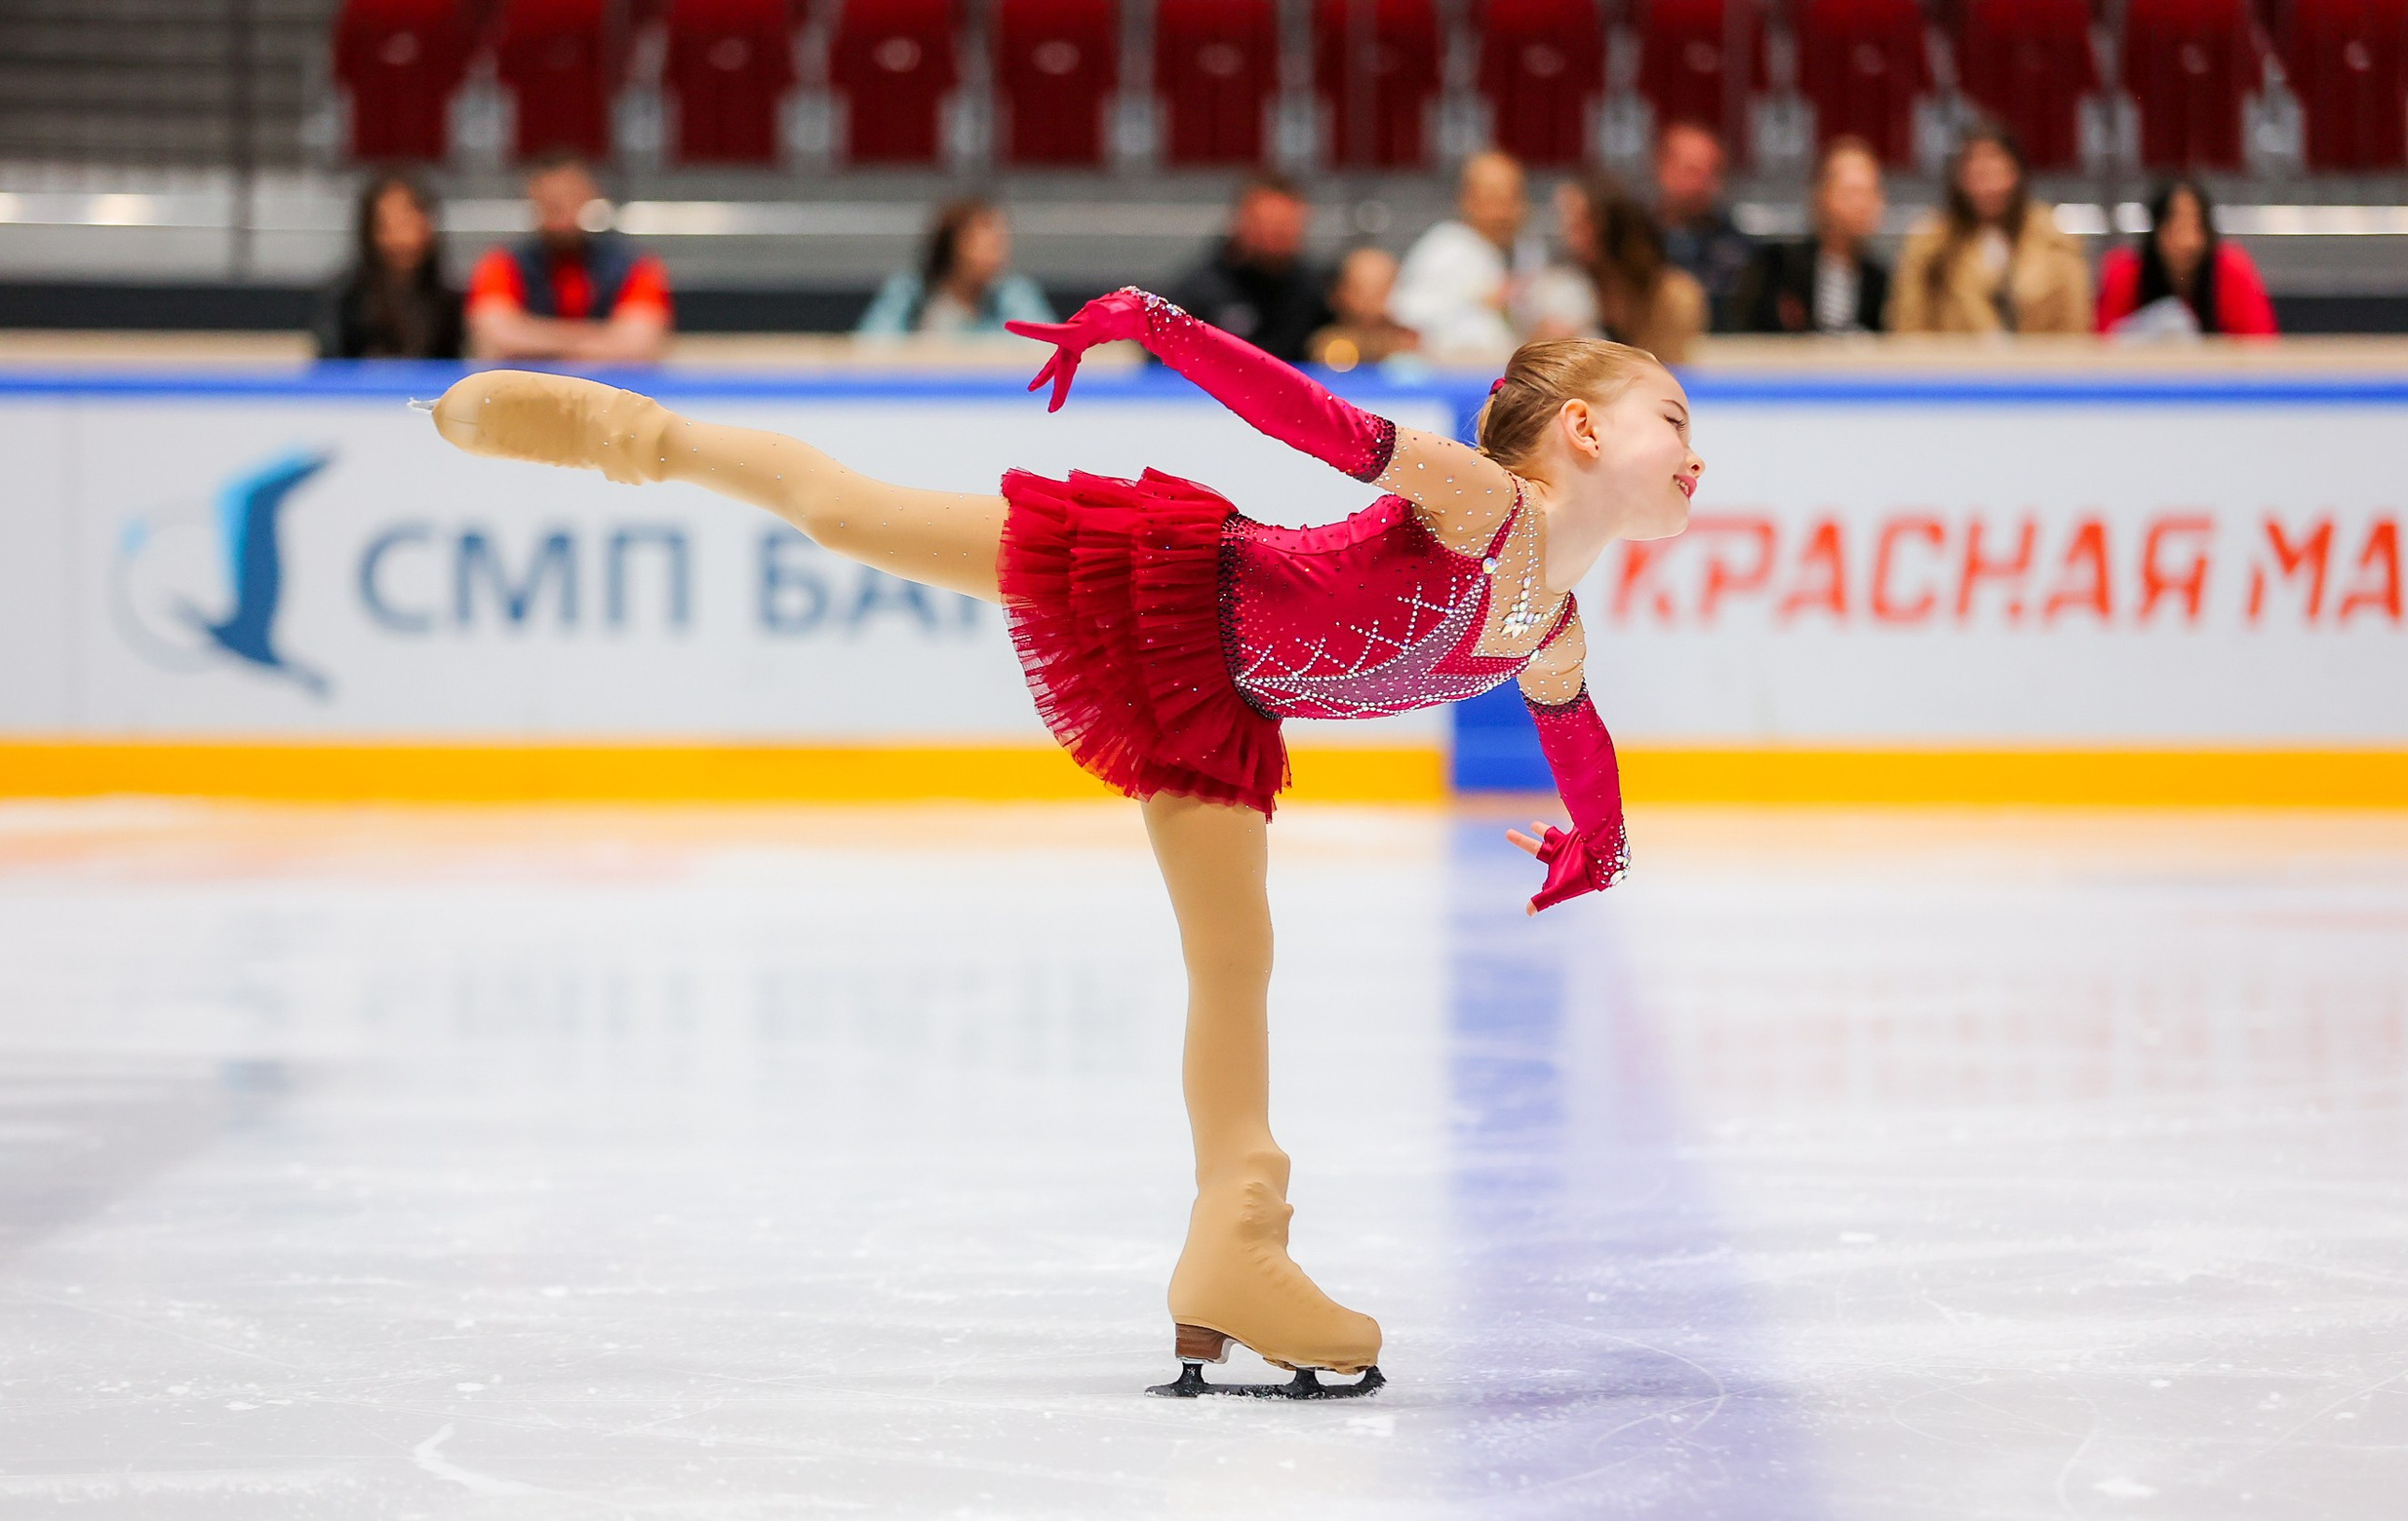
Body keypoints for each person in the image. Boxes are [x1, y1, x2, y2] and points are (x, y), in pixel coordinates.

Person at [426, 292, 1703, 1397]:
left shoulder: (1552, 626)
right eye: (1675, 419)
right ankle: (630, 433)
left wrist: (1598, 844)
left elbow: (1576, 735)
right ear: (1584, 428)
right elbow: (1317, 423)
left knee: (1236, 960)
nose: (1695, 452)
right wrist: (1158, 326)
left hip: (1223, 703)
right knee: (856, 516)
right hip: (1162, 581)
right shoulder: (1490, 508)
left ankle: (1234, 1241)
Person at [465, 151, 673, 363]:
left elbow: (639, 344)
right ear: (532, 197)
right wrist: (602, 340)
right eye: (550, 201)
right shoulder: (501, 264)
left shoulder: (635, 265)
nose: (560, 207)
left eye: (570, 196)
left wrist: (532, 338)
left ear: (590, 195)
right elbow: (497, 337)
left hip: (609, 390)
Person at [1888, 124, 2091, 335]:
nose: (1989, 186)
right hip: (1955, 364)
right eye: (1979, 175)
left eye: (1998, 172)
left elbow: (2076, 328)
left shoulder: (2055, 239)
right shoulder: (1930, 244)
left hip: (2041, 364)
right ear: (1960, 179)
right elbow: (1909, 328)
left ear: (2016, 174)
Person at [1731, 136, 1891, 334]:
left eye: (1872, 192)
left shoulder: (1882, 282)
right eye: (1852, 192)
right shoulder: (1778, 268)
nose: (1863, 205)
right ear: (1822, 197)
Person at [1168, 174, 1333, 363]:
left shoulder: (1314, 291)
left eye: (1285, 226)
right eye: (1267, 225)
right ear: (1240, 222)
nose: (1274, 236)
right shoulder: (1199, 292)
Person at [2096, 176, 2279, 338]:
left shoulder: (2231, 270)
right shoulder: (2125, 274)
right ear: (2156, 230)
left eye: (2196, 227)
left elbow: (2261, 343)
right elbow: (2102, 346)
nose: (2187, 242)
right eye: (2176, 228)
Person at [1392, 150, 1533, 359]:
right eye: (1492, 197)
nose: (1503, 209)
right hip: (1453, 376)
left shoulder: (1527, 252)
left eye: (1511, 196)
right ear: (1467, 199)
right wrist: (1479, 303)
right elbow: (1407, 320)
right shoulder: (1444, 248)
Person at [856, 198, 1057, 340]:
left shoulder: (1014, 293)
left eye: (1001, 242)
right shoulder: (908, 292)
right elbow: (871, 348)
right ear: (954, 245)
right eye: (988, 244)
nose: (999, 253)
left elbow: (1042, 349)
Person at [1558, 176, 1708, 364]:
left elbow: (1670, 371)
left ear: (1613, 226)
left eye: (1581, 224)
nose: (1570, 238)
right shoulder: (1569, 288)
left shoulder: (1675, 294)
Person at [315, 173, 464, 361]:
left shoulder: (447, 302)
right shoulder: (344, 299)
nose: (402, 239)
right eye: (389, 226)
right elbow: (330, 368)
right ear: (370, 232)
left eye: (409, 223)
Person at [1653, 121, 1754, 326]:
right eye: (1693, 171)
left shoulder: (1740, 247)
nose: (1703, 184)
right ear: (1662, 168)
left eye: (1713, 172)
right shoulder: (1636, 239)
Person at [1305, 246, 1421, 369]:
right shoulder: (1324, 341)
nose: (1369, 300)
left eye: (1380, 290)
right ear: (1338, 293)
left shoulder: (1410, 341)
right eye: (1359, 290)